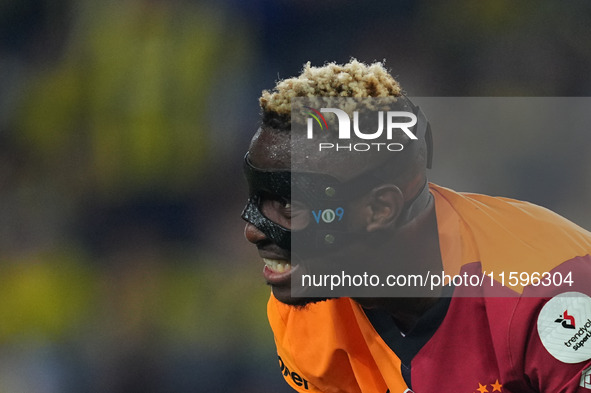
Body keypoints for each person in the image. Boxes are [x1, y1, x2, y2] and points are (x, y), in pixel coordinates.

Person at [241, 59, 591, 393]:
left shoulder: (553, 296)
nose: (253, 231)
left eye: (289, 205)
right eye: (258, 200)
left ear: (380, 209)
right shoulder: (306, 317)